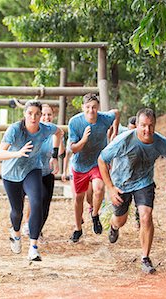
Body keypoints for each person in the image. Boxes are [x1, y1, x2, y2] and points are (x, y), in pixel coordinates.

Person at [98, 108, 166, 274]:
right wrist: (111, 188)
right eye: (143, 126)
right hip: (121, 183)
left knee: (146, 216)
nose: (147, 130)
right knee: (120, 220)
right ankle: (114, 227)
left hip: (144, 182)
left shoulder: (160, 142)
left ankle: (145, 258)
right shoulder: (124, 140)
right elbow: (102, 160)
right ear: (137, 125)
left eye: (150, 125)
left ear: (155, 125)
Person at [0, 100, 63, 261]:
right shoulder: (15, 130)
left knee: (36, 201)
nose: (33, 117)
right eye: (30, 113)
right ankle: (16, 233)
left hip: (32, 169)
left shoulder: (46, 128)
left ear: (40, 115)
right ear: (24, 114)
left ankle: (33, 247)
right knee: (17, 211)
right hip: (11, 172)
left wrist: (54, 156)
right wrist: (17, 153)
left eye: (37, 114)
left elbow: (59, 132)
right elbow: (0, 153)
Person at [67, 93, 119, 242]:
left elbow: (116, 113)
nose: (91, 110)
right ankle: (78, 228)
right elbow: (73, 149)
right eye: (88, 107)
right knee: (78, 198)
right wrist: (83, 139)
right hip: (80, 164)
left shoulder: (104, 118)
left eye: (94, 107)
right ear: (83, 107)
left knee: (99, 188)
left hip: (98, 162)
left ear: (98, 108)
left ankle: (95, 215)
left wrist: (114, 132)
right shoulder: (74, 122)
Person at [22, 104, 64, 240]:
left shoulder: (53, 132)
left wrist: (59, 144)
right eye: (44, 114)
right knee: (36, 199)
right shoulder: (32, 130)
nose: (46, 117)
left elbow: (61, 152)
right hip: (31, 171)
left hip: (47, 171)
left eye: (49, 115)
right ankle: (28, 225)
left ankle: (37, 229)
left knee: (45, 204)